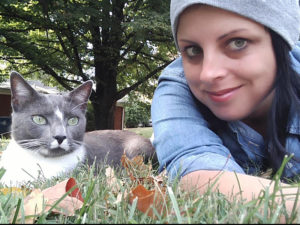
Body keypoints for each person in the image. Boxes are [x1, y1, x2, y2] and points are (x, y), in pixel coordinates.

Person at [151, 0, 300, 216]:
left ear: (281, 41)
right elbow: (200, 178)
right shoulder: (176, 88)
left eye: (238, 43)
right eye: (193, 50)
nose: (208, 74)